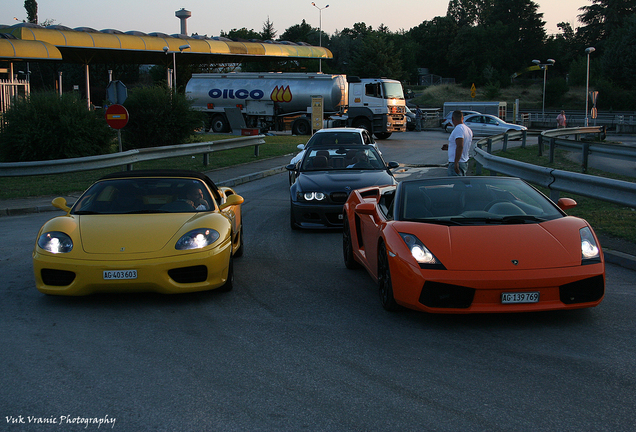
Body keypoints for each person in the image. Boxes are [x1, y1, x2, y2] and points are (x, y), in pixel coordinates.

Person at [441, 110, 473, 176]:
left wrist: (456, 163)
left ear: (452, 118)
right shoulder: (468, 129)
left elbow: (460, 146)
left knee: (456, 184)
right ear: (462, 118)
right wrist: (449, 147)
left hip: (457, 162)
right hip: (464, 161)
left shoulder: (458, 129)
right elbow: (462, 145)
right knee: (460, 184)